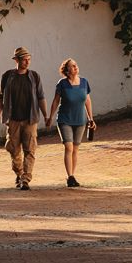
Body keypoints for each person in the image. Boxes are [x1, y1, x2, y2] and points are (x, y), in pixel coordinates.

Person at [0, 47, 46, 190]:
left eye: (29, 59)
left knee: (30, 150)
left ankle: (26, 179)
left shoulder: (34, 76)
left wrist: (46, 115)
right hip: (13, 120)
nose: (27, 62)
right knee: (14, 149)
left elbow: (41, 97)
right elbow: (1, 98)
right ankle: (19, 173)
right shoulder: (7, 76)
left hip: (30, 119)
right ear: (16, 60)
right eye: (24, 59)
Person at [46, 58, 98, 189]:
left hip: (80, 120)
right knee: (68, 147)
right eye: (72, 66)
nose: (75, 67)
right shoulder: (62, 84)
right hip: (65, 119)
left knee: (75, 148)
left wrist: (90, 118)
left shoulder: (84, 82)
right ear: (67, 70)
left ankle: (73, 175)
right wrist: (50, 117)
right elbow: (56, 101)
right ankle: (69, 176)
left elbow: (88, 101)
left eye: (76, 65)